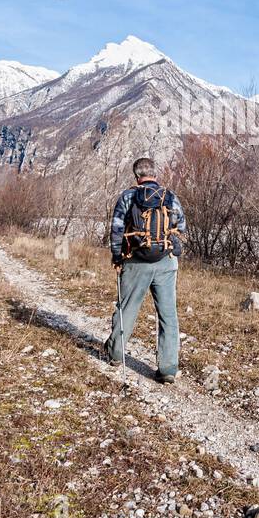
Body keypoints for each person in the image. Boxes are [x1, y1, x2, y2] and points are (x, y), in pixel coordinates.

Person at [103, 157, 186, 383]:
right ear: (155, 175)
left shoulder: (128, 196)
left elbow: (117, 230)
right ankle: (168, 368)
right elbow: (181, 227)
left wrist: (117, 257)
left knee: (127, 309)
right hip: (166, 262)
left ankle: (115, 354)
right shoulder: (170, 196)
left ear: (136, 176)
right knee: (168, 314)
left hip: (135, 261)